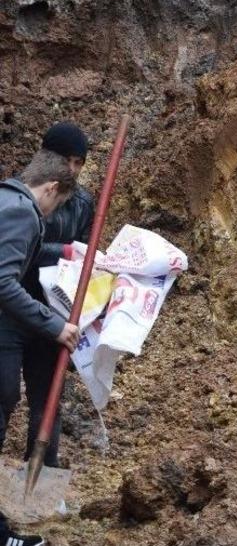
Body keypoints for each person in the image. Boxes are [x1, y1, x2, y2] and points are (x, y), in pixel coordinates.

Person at [0, 149, 81, 546]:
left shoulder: (5, 200)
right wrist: (56, 326)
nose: (50, 216)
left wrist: (70, 252)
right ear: (51, 188)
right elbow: (3, 281)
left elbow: (25, 252)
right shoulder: (21, 212)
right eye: (55, 205)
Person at [19, 124, 95, 470]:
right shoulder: (21, 195)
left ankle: (40, 471)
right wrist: (64, 251)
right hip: (13, 304)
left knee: (47, 399)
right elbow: (20, 251)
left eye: (79, 162)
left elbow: (85, 253)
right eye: (68, 160)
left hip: (54, 313)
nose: (74, 170)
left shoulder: (82, 203)